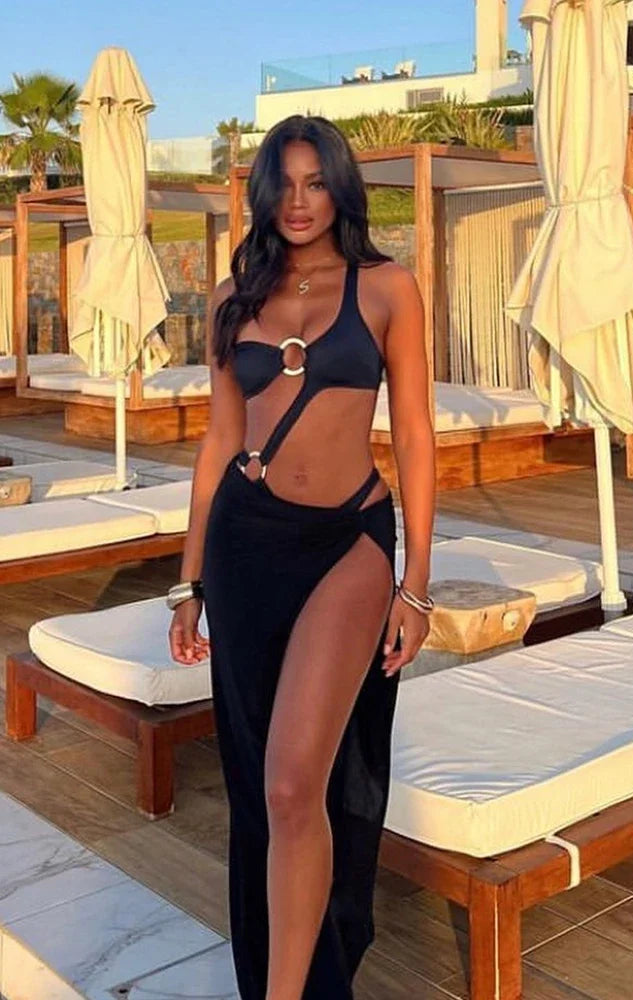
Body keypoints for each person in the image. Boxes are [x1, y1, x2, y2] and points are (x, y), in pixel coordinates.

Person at [166, 114, 436, 1000]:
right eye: (283, 183)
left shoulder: (387, 288)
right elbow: (218, 443)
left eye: (316, 181)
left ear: (341, 188)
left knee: (293, 784)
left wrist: (416, 586)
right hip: (244, 545)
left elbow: (416, 436)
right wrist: (188, 581)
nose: (299, 200)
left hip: (348, 542)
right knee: (260, 786)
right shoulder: (233, 298)